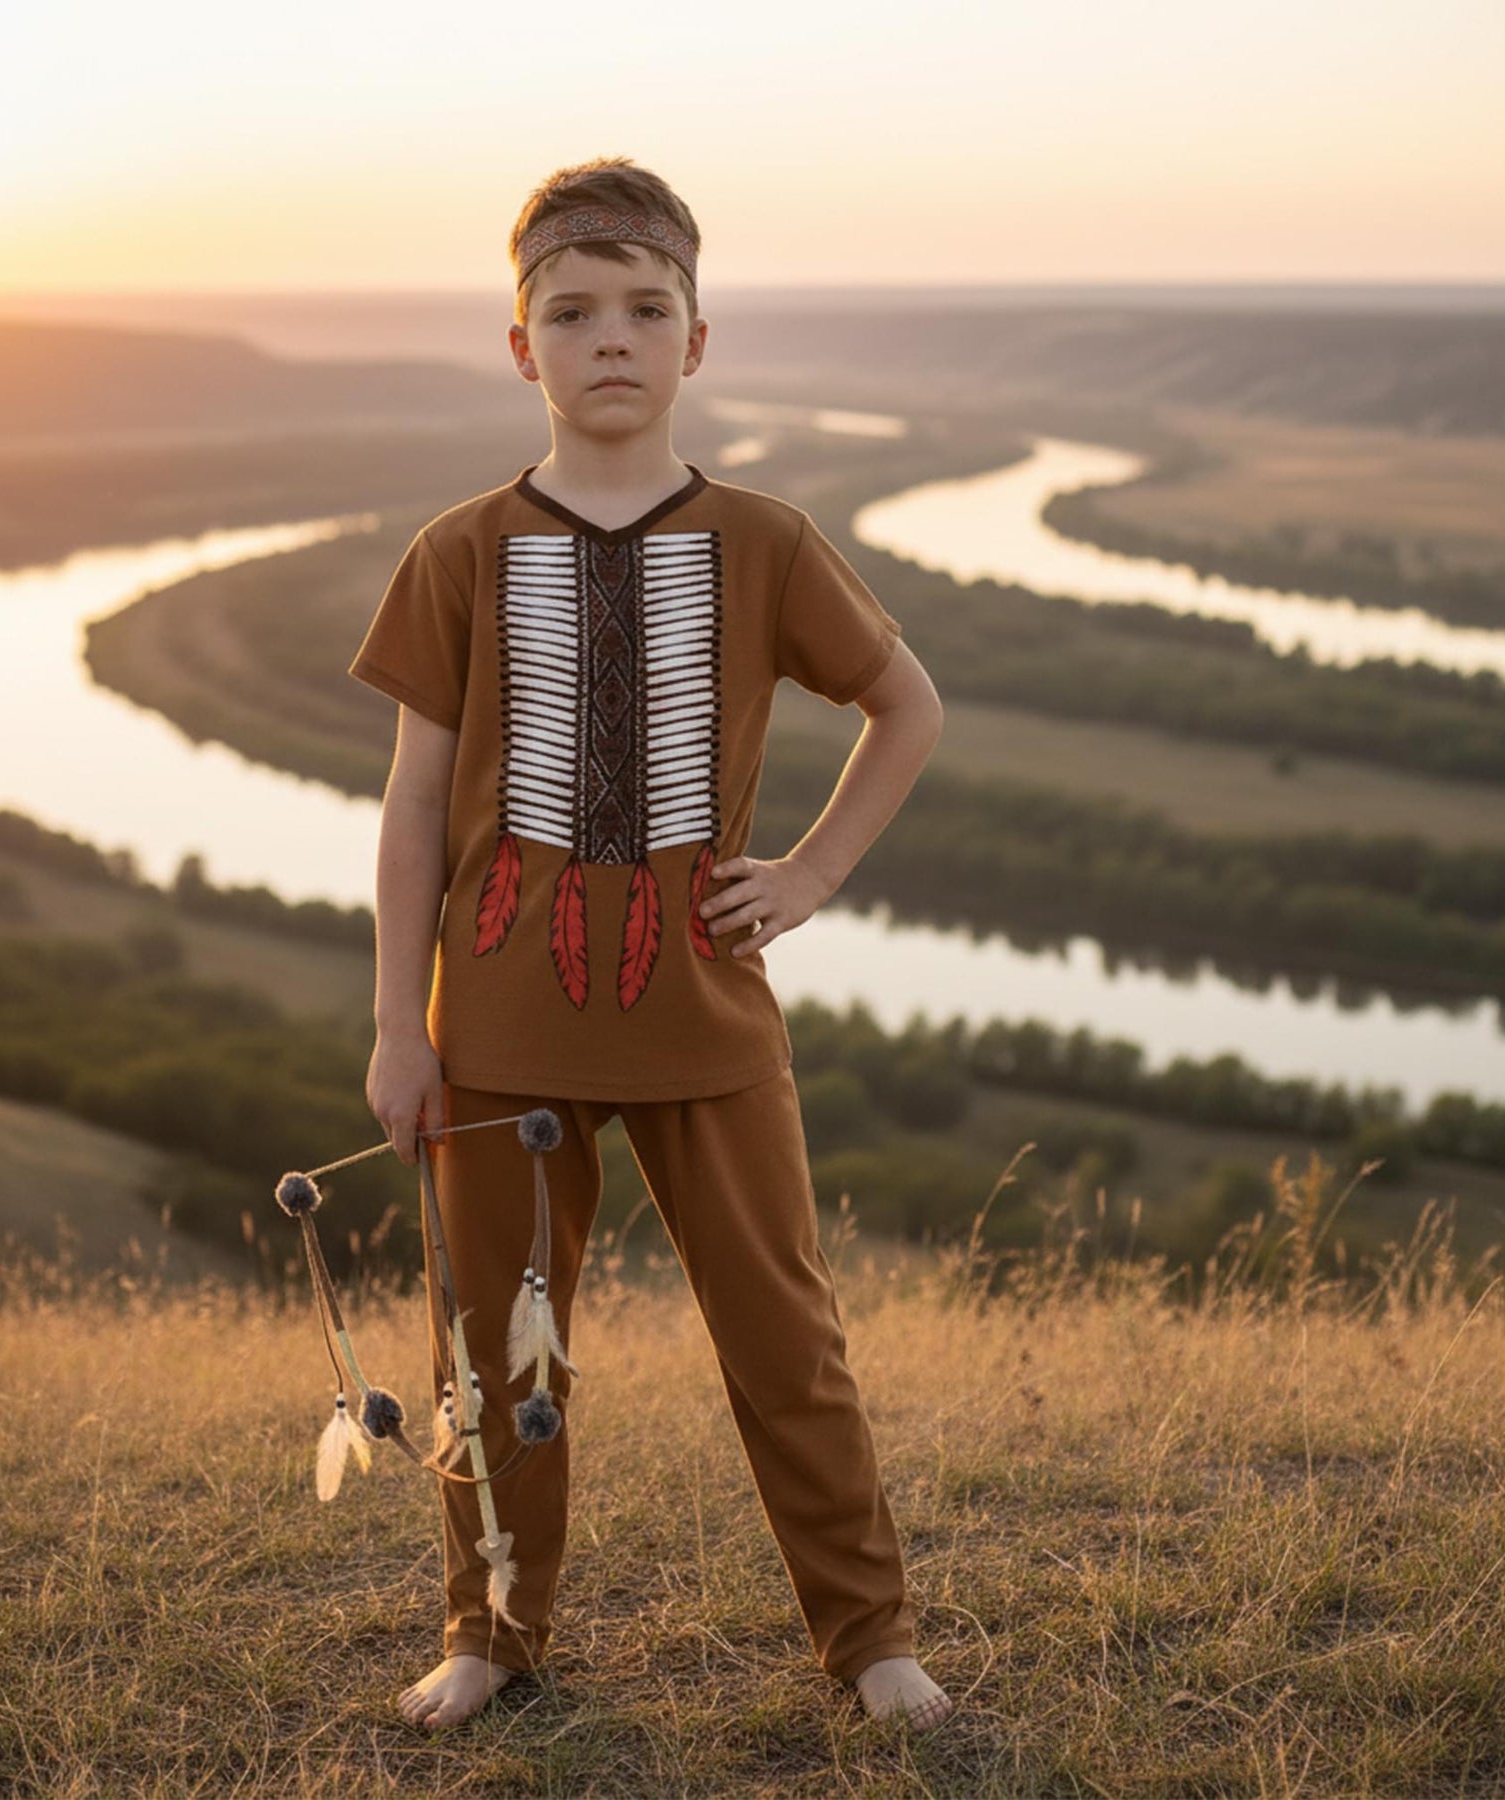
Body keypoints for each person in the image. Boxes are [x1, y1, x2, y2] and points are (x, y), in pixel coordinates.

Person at [348, 156, 950, 1733]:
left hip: (706, 1014)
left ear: (696, 341)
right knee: (492, 1359)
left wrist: (810, 874)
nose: (607, 337)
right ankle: (489, 1635)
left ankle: (871, 1640)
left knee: (786, 1340)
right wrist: (400, 1028)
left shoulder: (765, 539)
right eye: (570, 311)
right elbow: (414, 807)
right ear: (520, 346)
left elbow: (908, 708)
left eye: (643, 308)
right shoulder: (459, 550)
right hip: (493, 1024)